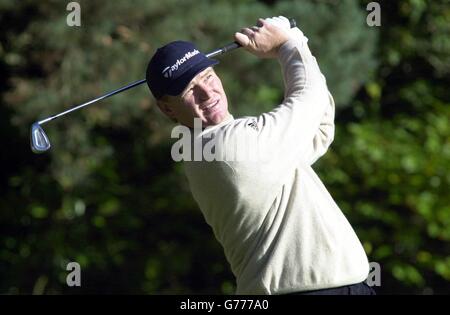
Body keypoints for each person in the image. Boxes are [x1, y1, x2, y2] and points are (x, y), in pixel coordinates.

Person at [145, 16, 375, 295]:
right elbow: (310, 99)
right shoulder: (224, 147)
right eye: (190, 90)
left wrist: (290, 41)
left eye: (208, 77)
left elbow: (319, 127)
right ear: (167, 109)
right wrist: (288, 42)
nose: (207, 93)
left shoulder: (213, 147)